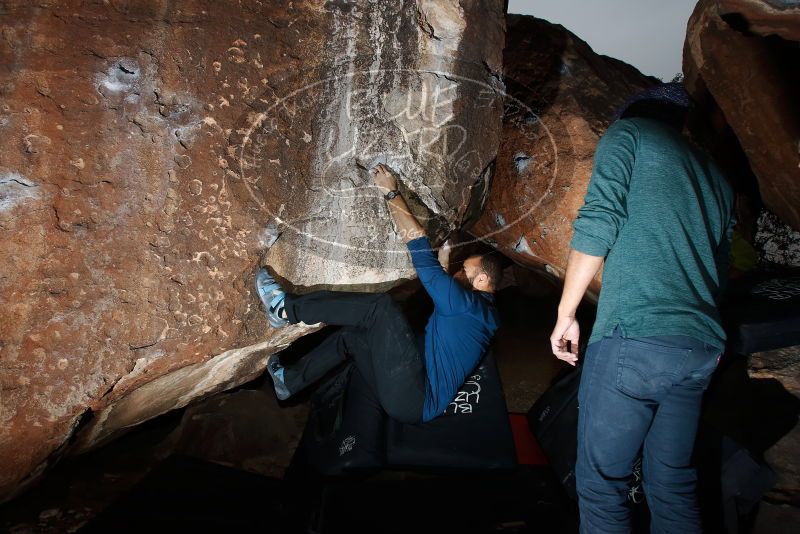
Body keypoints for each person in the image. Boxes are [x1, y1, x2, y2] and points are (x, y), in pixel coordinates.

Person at [549, 83, 735, 533]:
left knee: (601, 486)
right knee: (671, 484)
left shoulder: (628, 135)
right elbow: (720, 269)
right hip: (699, 348)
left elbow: (598, 221)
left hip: (636, 338)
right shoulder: (717, 177)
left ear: (631, 114)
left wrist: (565, 314)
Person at [256, 164, 501, 424]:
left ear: (482, 279)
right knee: (352, 337)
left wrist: (391, 192)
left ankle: (284, 309)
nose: (456, 274)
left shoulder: (466, 306)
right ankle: (289, 381)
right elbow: (447, 311)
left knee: (380, 308)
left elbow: (416, 239)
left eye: (464, 270)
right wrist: (443, 265)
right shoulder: (483, 313)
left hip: (415, 395)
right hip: (413, 398)